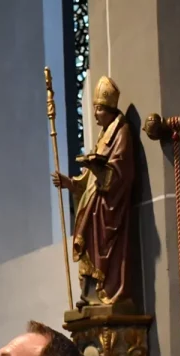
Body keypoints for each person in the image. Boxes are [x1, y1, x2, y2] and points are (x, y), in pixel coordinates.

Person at [51, 76, 136, 309]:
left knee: (105, 246)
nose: (95, 114)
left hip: (108, 206)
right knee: (89, 244)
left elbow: (122, 171)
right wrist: (70, 183)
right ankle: (90, 294)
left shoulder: (122, 132)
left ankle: (104, 291)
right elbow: (88, 179)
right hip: (94, 203)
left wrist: (101, 168)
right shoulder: (104, 134)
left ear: (108, 109)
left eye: (98, 109)